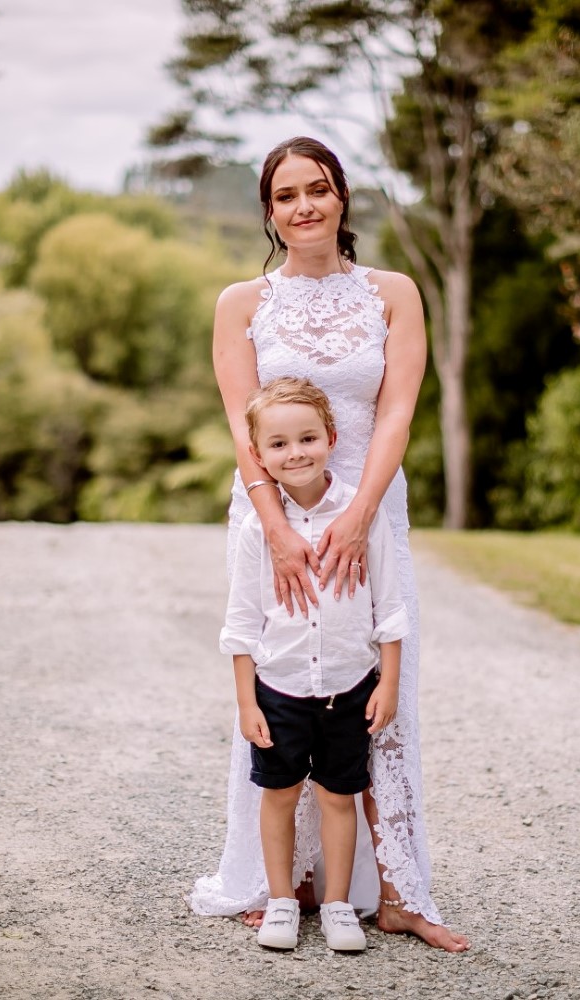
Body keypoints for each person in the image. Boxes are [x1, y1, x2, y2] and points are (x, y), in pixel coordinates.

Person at [189, 136, 470, 952]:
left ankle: (400, 893)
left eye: (318, 188)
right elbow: (242, 425)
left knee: (375, 691)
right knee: (285, 680)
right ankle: (284, 880)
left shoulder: (394, 293)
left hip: (368, 513)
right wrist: (276, 527)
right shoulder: (241, 303)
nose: (304, 206)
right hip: (271, 516)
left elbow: (397, 412)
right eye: (286, 195)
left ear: (342, 196)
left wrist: (360, 514)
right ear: (269, 212)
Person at [222, 376, 407, 951]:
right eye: (278, 444)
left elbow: (389, 607)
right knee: (279, 795)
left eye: (307, 438)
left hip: (350, 687)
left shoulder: (361, 518)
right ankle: (281, 900)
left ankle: (337, 907)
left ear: (331, 438)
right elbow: (241, 623)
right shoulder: (258, 531)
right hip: (279, 687)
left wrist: (389, 683)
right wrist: (247, 703)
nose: (295, 453)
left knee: (337, 796)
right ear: (259, 456)